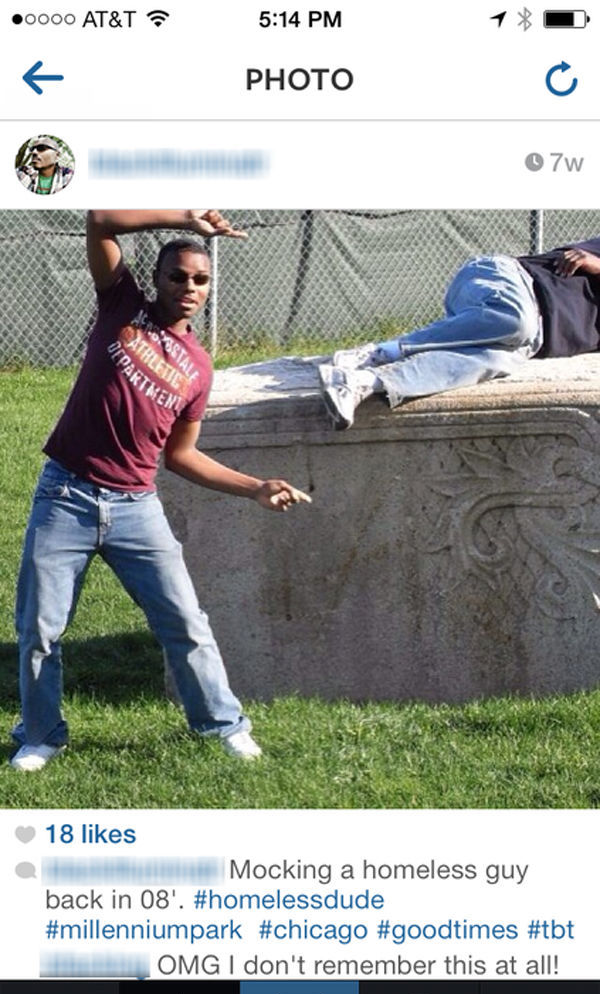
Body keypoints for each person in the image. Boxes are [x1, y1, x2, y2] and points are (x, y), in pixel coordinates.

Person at [11, 209, 310, 771]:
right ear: (158, 279)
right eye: (178, 276)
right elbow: (100, 221)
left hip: (135, 508)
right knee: (40, 629)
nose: (190, 287)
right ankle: (41, 735)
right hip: (66, 496)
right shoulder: (121, 307)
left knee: (185, 624)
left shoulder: (198, 366)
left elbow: (181, 455)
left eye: (200, 280)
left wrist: (256, 487)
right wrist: (186, 219)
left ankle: (222, 725)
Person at [318, 241, 600, 429]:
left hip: (526, 342)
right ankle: (379, 353)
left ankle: (363, 382)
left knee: (496, 362)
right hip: (507, 282)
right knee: (517, 321)